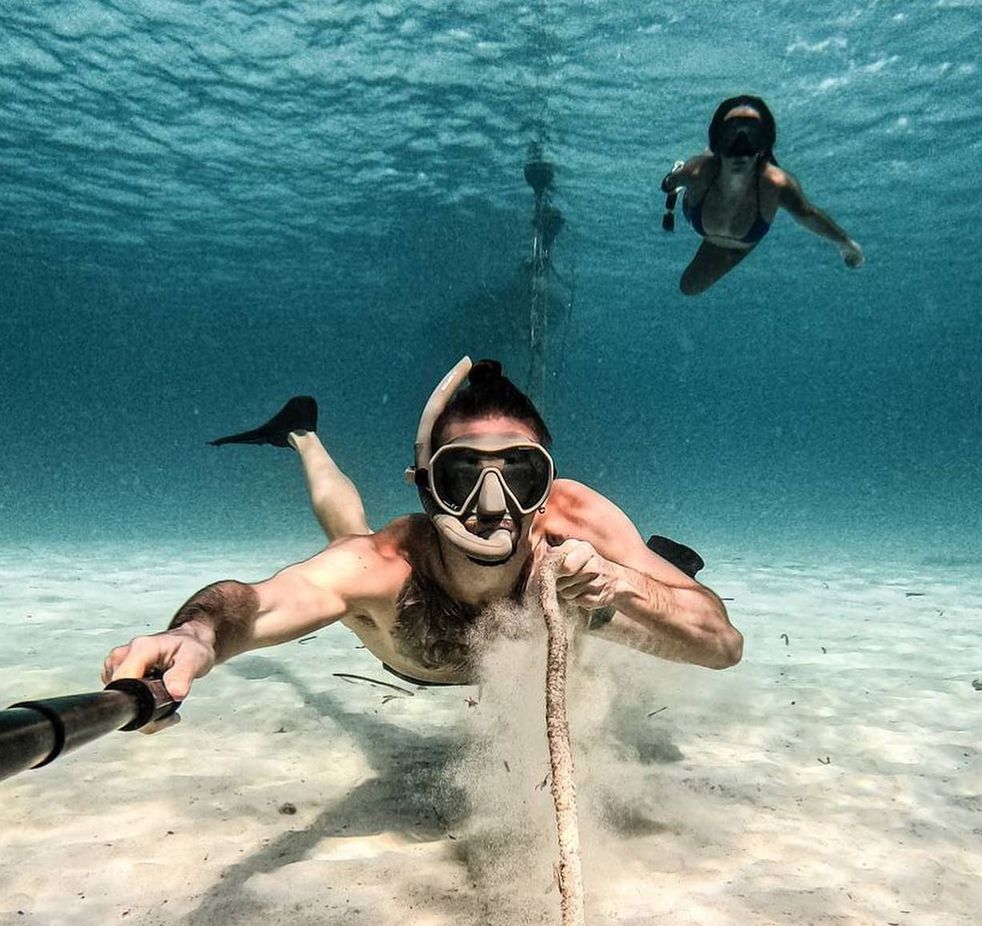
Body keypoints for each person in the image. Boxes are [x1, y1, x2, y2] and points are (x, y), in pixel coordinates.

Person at [103, 359, 742, 704]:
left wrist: (622, 583)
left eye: (519, 475)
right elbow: (259, 602)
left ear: (545, 485)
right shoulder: (385, 565)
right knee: (350, 543)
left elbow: (723, 645)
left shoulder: (573, 520)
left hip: (565, 609)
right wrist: (196, 635)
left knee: (634, 607)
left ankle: (646, 574)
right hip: (413, 653)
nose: (493, 507)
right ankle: (300, 434)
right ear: (427, 484)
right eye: (463, 474)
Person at [661, 94, 864, 295]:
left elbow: (808, 214)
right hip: (697, 204)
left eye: (752, 135)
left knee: (689, 287)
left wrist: (845, 244)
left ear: (763, 143)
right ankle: (692, 166)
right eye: (731, 135)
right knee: (692, 170)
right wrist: (672, 191)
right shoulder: (697, 172)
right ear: (718, 140)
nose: (741, 148)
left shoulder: (776, 184)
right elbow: (667, 184)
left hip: (737, 245)